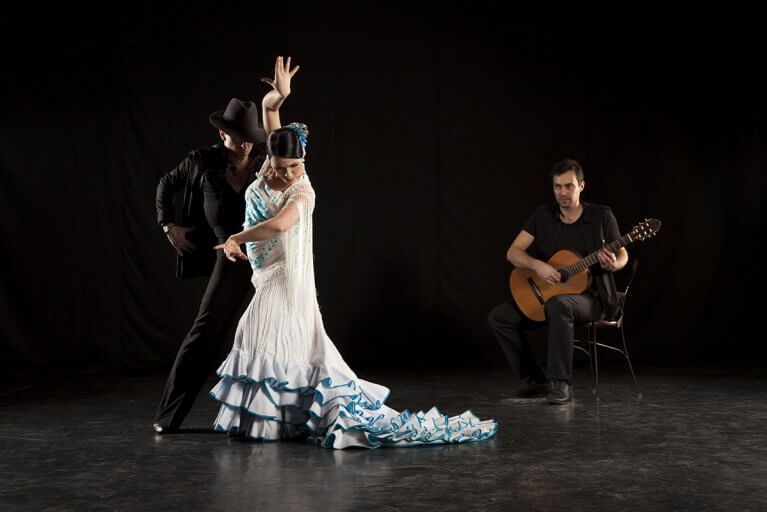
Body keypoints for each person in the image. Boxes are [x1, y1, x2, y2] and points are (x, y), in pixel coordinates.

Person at [208, 56, 499, 448]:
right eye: (280, 166)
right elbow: (270, 111)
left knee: (258, 337)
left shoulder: (303, 190)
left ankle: (271, 422)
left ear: (303, 163)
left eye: (295, 166)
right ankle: (280, 420)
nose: (287, 173)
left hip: (283, 280)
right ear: (270, 158)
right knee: (277, 346)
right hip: (264, 274)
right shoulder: (268, 171)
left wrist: (235, 239)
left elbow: (278, 226)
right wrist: (277, 96)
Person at [152, 98, 268, 433]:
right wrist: (167, 225)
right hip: (230, 257)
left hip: (267, 254)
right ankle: (168, 415)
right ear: (222, 133)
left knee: (272, 332)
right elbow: (165, 185)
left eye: (250, 137)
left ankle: (276, 420)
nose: (245, 143)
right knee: (207, 333)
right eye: (238, 136)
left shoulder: (263, 162)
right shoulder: (201, 161)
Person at [487, 159, 628, 405]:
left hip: (593, 300)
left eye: (568, 186)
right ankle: (535, 381)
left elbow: (623, 255)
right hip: (549, 294)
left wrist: (612, 264)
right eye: (557, 187)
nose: (562, 193)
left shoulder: (602, 216)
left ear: (581, 185)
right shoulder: (542, 216)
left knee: (559, 304)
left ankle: (560, 384)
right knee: (500, 316)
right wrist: (538, 265)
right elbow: (513, 252)